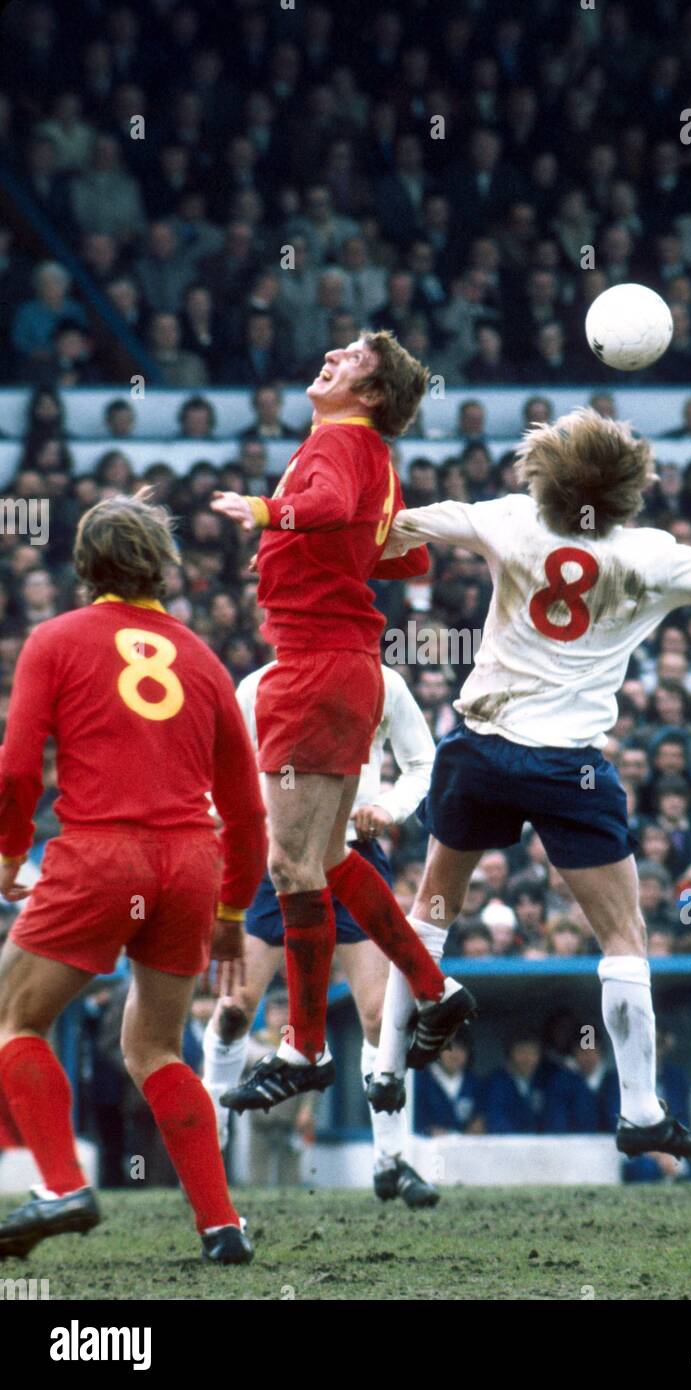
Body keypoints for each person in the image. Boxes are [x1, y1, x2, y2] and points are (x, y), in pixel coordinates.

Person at [372, 406, 691, 1161]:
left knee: (432, 910)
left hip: (480, 748)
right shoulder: (652, 556)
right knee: (622, 937)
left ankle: (383, 1069)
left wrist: (296, 517)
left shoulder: (509, 521)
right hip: (567, 767)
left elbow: (401, 524)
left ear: (545, 474)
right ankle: (640, 1111)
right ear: (629, 486)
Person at [210, 331, 475, 1112]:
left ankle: (305, 1048)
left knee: (290, 868)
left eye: (353, 357)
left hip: (313, 665)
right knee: (323, 862)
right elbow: (404, 556)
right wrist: (304, 549)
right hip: (346, 665)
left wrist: (264, 513)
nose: (331, 353)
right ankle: (435, 988)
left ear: (370, 394)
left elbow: (324, 509)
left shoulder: (338, 442)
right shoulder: (372, 456)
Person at [0, 496, 266, 1264]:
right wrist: (230, 910)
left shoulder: (54, 640)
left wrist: (11, 855)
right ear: (163, 567)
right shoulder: (204, 658)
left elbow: (18, 770)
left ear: (85, 568)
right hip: (191, 863)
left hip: (100, 855)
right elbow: (246, 810)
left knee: (14, 1020)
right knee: (155, 1047)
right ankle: (221, 1226)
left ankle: (61, 1186)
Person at [203, 659, 441, 1208]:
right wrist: (230, 817)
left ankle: (390, 1159)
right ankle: (209, 1149)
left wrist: (387, 806)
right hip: (276, 860)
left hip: (351, 858)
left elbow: (422, 762)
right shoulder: (258, 685)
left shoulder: (385, 682)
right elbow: (226, 765)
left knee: (379, 1013)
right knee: (236, 1006)